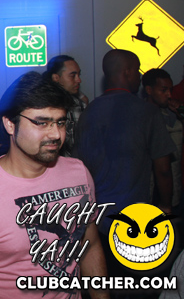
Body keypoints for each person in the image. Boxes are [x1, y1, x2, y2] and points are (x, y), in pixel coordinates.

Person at [0, 71, 108, 299]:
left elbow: (90, 244)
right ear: (10, 124)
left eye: (60, 122)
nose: (56, 134)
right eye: (41, 123)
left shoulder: (79, 173)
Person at [74, 50, 174, 230]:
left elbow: (79, 167)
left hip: (96, 218)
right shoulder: (148, 112)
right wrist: (166, 206)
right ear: (127, 72)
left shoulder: (88, 113)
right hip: (134, 218)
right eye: (137, 70)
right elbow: (164, 169)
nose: (140, 76)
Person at [142, 68, 183, 212]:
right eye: (163, 90)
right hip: (146, 196)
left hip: (172, 196)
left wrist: (181, 112)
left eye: (170, 90)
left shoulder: (173, 115)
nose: (169, 95)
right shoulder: (138, 115)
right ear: (149, 90)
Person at [43, 55, 88, 156]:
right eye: (72, 76)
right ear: (56, 78)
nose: (78, 80)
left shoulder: (79, 105)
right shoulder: (42, 106)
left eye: (78, 75)